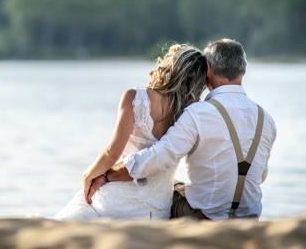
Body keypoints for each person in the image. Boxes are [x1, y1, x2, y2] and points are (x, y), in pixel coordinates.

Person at [88, 38, 277, 220]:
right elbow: (261, 174)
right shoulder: (266, 119)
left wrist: (107, 175)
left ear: (208, 69)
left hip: (204, 218)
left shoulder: (199, 113)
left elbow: (158, 158)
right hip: (249, 220)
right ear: (243, 71)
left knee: (171, 188)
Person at [55, 44, 207, 220]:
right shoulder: (193, 114)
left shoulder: (136, 98)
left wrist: (89, 175)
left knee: (81, 201)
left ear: (169, 66)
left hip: (116, 201)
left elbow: (112, 153)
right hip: (157, 210)